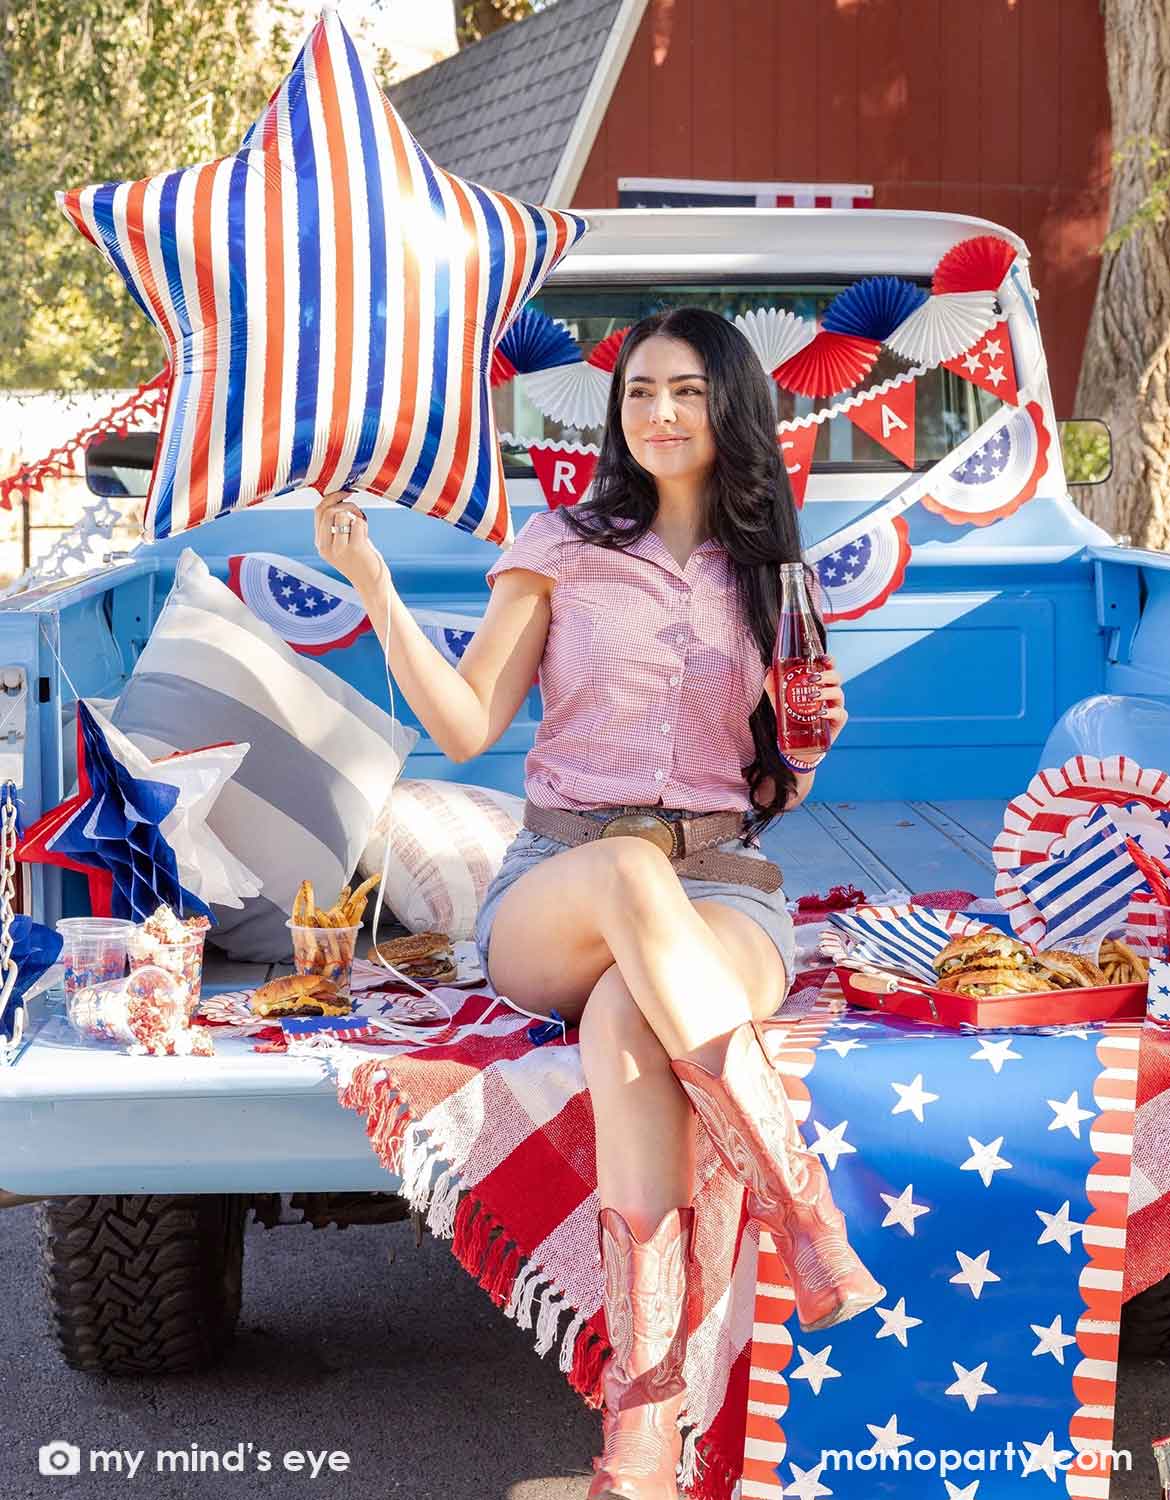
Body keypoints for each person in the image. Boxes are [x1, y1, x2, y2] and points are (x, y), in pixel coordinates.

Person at [315, 306, 883, 1500]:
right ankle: (808, 1221)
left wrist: (814, 735)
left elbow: (782, 773)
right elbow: (466, 724)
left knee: (632, 1017)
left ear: (731, 407)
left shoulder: (773, 567)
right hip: (564, 882)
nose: (658, 412)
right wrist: (372, 582)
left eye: (684, 390)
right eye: (638, 393)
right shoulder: (561, 544)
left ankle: (638, 1447)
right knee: (628, 882)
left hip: (724, 879)